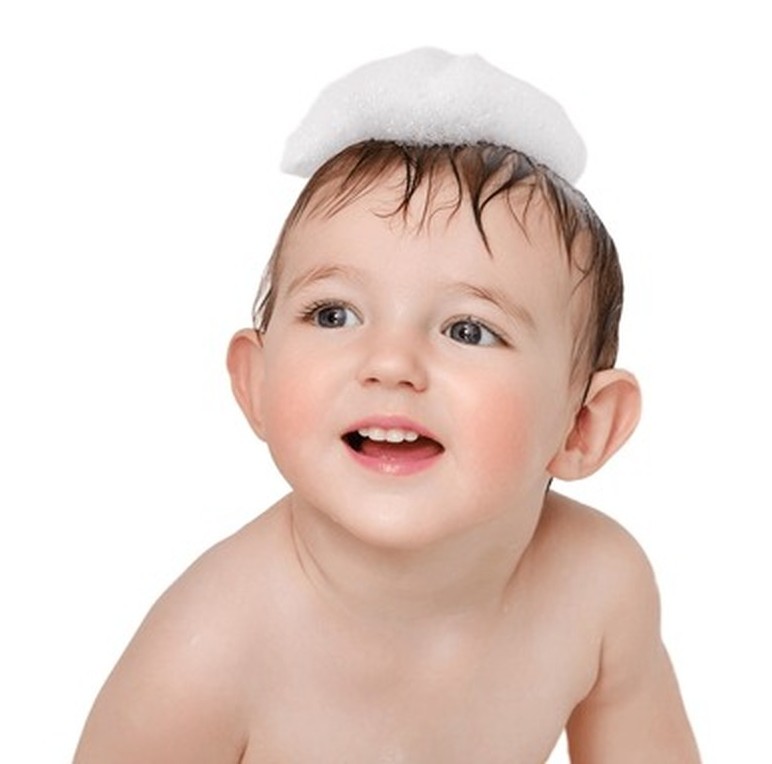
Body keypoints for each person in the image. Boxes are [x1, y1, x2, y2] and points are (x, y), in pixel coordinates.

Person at [74, 49, 700, 763]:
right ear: (254, 382)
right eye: (334, 314)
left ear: (584, 426)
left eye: (469, 330)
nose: (391, 364)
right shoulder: (211, 648)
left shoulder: (597, 586)